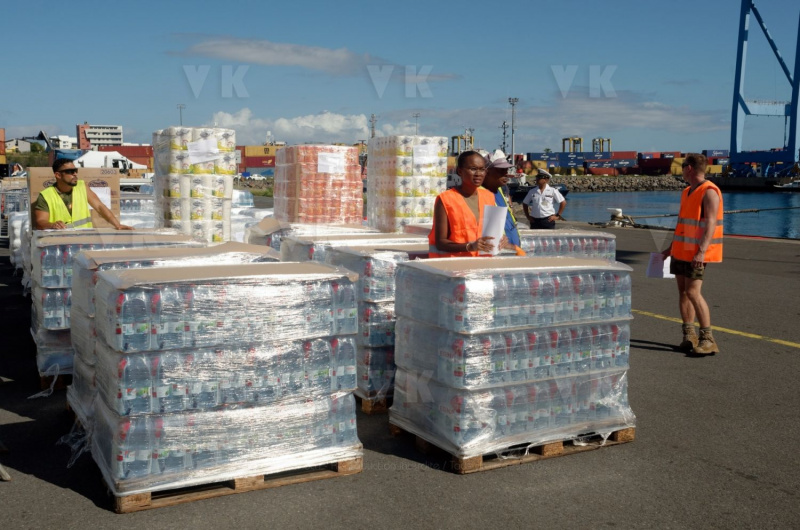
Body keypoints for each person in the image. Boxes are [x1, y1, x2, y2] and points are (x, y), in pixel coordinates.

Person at [661, 153, 723, 355]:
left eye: (683, 165)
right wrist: (671, 248)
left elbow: (711, 224)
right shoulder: (687, 191)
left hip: (697, 253)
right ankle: (689, 335)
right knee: (683, 293)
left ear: (689, 168)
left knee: (693, 293)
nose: (681, 169)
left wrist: (701, 252)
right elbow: (682, 224)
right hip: (681, 251)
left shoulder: (709, 191)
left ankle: (708, 339)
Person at [429, 150, 499, 257]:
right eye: (473, 169)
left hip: (482, 265)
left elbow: (490, 233)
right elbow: (440, 242)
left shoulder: (488, 197)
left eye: (482, 169)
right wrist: (469, 247)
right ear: (460, 171)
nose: (478, 174)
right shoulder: (445, 199)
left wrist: (500, 240)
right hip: (455, 266)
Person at [34, 158, 133, 230]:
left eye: (75, 171)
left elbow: (99, 206)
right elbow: (41, 221)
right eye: (70, 171)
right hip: (59, 243)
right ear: (58, 175)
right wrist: (52, 225)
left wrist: (117, 225)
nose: (75, 174)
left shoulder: (82, 186)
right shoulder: (46, 196)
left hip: (83, 239)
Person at [482, 150, 524, 253]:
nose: (505, 174)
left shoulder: (499, 189)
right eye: (500, 170)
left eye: (506, 170)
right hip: (500, 253)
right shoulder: (480, 194)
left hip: (512, 251)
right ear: (487, 172)